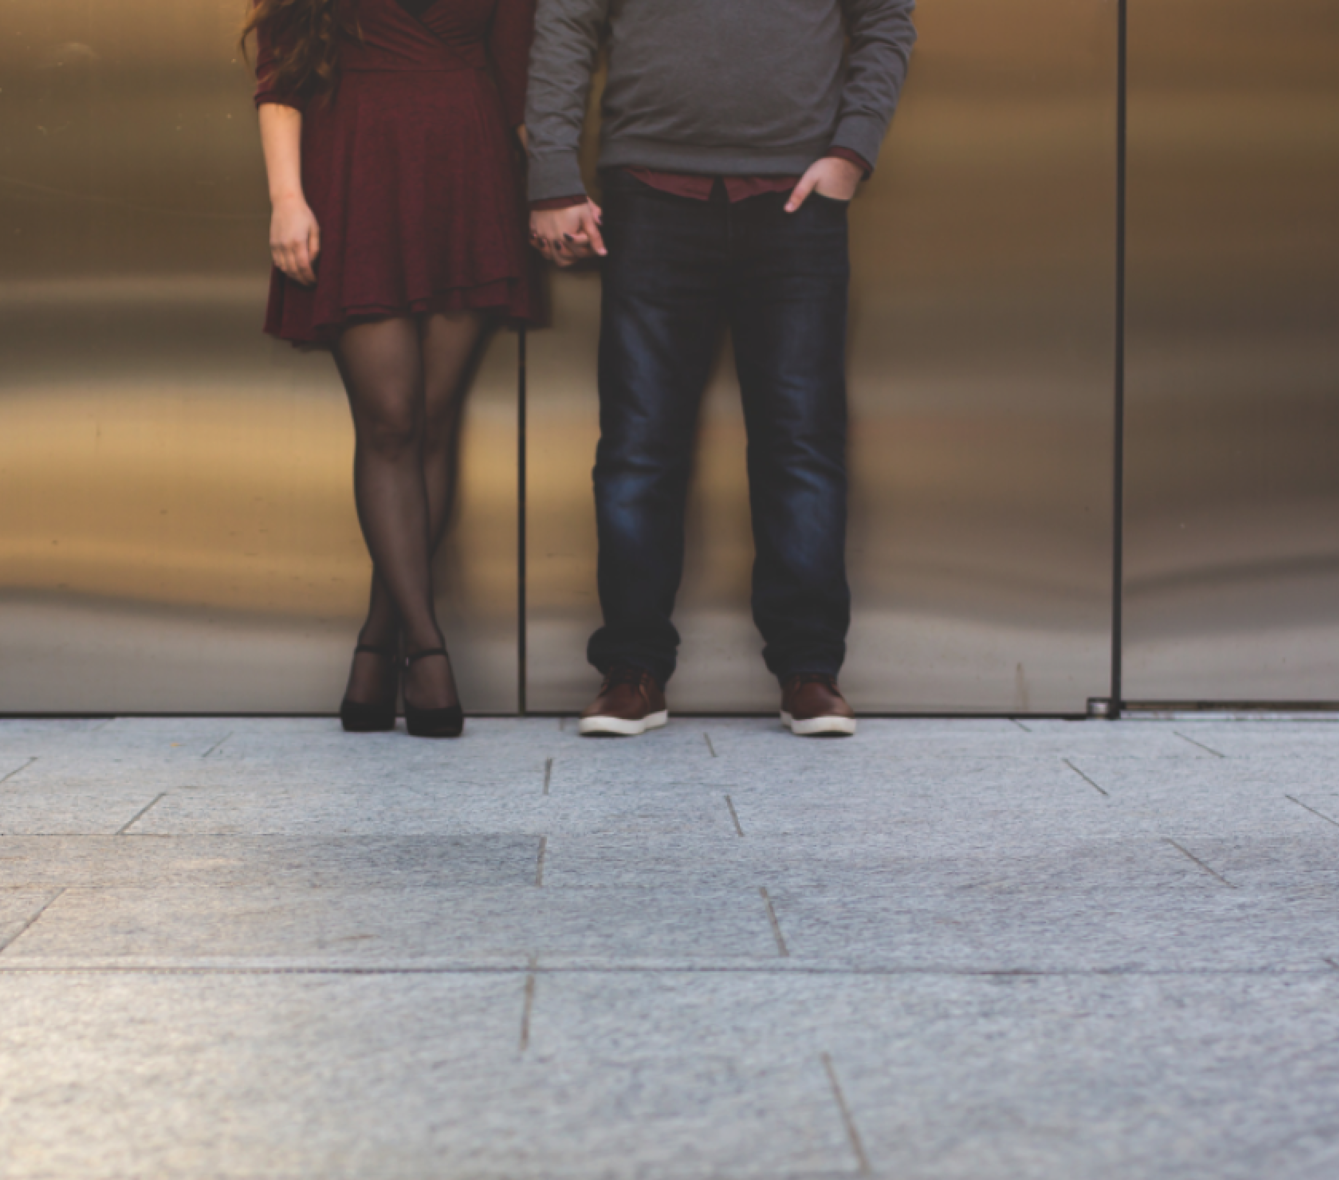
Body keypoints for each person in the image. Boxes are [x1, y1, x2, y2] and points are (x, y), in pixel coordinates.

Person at [525, 0, 916, 740]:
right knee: (638, 448)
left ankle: (809, 670)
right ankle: (632, 670)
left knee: (801, 443)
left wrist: (852, 152)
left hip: (798, 198)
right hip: (648, 195)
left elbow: (887, 17)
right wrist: (551, 174)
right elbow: (566, 21)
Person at [251, 0, 538, 738]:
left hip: (468, 170)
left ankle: (377, 649)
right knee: (390, 422)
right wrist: (286, 198)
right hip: (354, 167)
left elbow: (516, 76)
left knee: (431, 425)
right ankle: (428, 647)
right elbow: (281, 76)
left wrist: (552, 190)